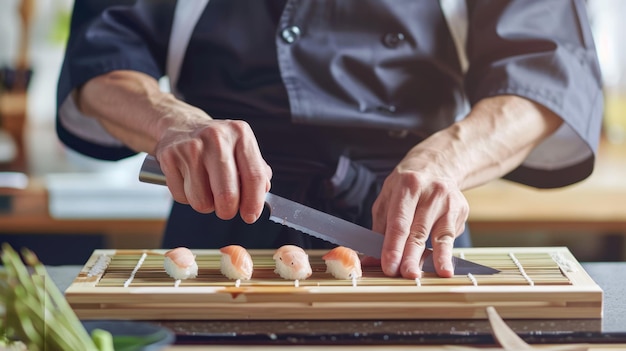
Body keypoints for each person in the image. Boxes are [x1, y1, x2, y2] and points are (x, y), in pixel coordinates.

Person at [56, 0, 603, 279]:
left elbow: (546, 75)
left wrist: (445, 159)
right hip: (220, 208)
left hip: (412, 218)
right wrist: (174, 123)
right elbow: (102, 63)